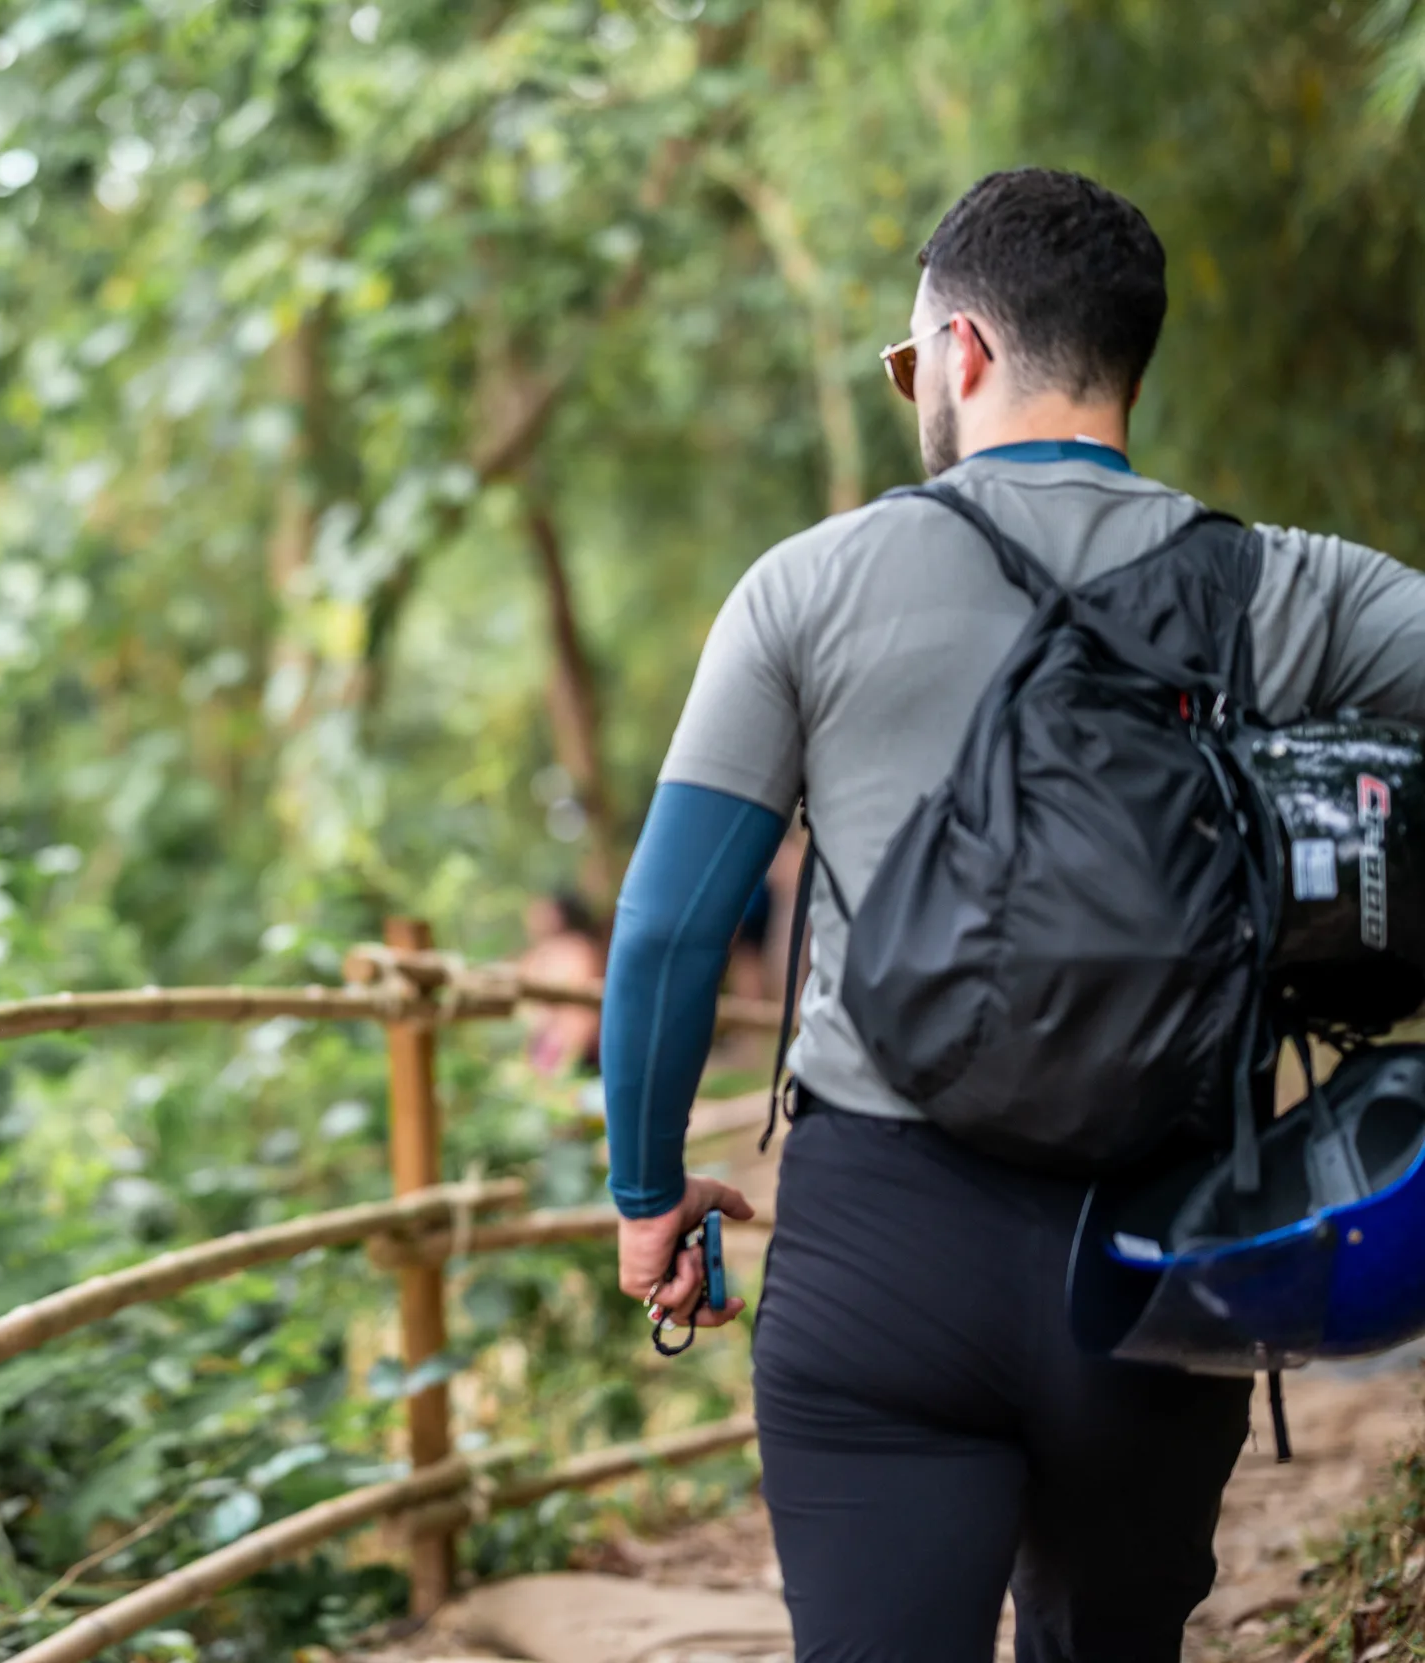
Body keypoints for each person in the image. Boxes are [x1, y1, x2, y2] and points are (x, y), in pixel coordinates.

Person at [598, 168, 1425, 1663]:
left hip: (881, 1255)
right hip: (1166, 1257)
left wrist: (647, 1197)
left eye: (912, 357)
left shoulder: (808, 587)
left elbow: (666, 929)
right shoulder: (1277, 582)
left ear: (963, 351)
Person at [518, 888, 603, 1078]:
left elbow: (581, 1012)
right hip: (546, 1045)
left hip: (573, 1046)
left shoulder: (578, 951)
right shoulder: (539, 953)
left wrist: (567, 1059)